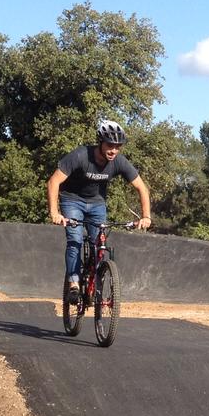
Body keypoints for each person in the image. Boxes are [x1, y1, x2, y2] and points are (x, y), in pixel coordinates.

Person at [47, 117, 151, 303]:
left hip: (97, 204)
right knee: (75, 240)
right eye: (110, 145)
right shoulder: (80, 156)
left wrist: (146, 216)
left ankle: (96, 276)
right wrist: (55, 212)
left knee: (100, 243)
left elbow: (142, 188)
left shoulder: (119, 162)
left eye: (118, 147)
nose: (114, 150)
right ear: (100, 143)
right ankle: (74, 283)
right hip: (72, 201)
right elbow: (54, 182)